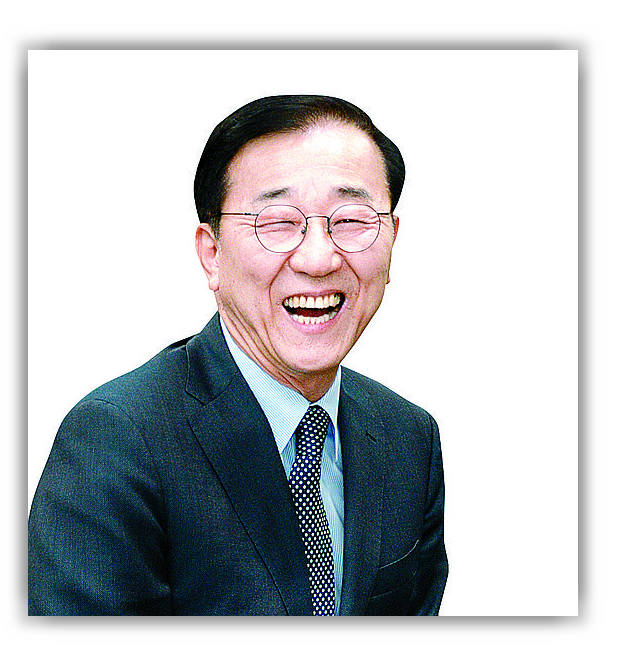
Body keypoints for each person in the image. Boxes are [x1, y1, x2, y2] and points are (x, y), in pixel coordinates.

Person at [28, 95, 448, 616]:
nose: (319, 258)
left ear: (392, 240)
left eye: (351, 220)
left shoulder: (408, 439)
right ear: (212, 253)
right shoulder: (117, 441)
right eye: (278, 221)